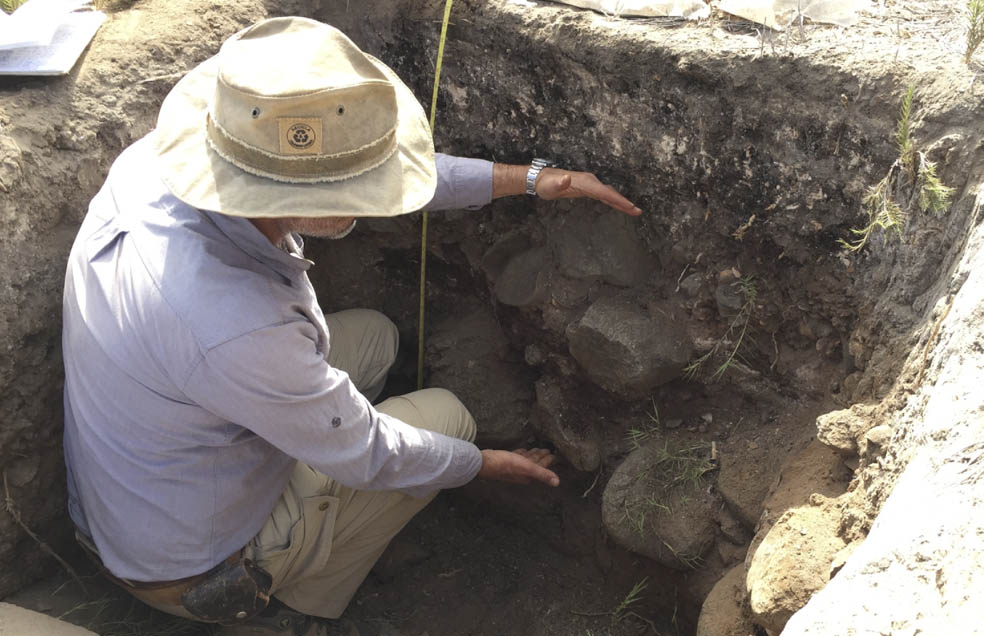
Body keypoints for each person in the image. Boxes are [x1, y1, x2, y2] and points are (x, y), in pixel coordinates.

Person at [61, 16, 640, 636]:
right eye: (361, 188)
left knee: (375, 335)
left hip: (136, 492)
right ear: (303, 196)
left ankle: (325, 538)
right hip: (192, 567)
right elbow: (368, 454)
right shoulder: (234, 324)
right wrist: (481, 462)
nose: (378, 194)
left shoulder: (163, 166)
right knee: (447, 416)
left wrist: (528, 180)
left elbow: (381, 174)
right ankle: (293, 609)